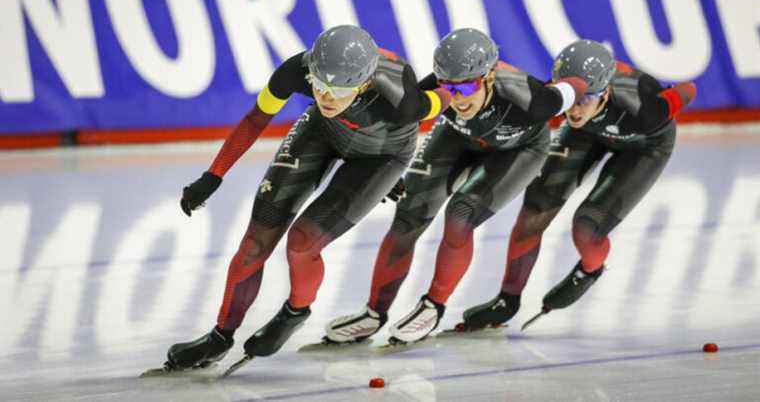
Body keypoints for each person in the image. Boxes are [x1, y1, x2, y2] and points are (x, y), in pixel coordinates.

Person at [153, 25, 453, 373]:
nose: (325, 97)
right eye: (319, 85)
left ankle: (296, 310)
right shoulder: (297, 70)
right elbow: (256, 119)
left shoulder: (402, 99)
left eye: (337, 91)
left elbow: (448, 91)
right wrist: (213, 174)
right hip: (321, 133)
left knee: (301, 244)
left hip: (382, 157)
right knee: (254, 243)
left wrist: (391, 177)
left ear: (364, 84)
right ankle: (220, 336)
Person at [321, 28, 589, 346]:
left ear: (489, 76)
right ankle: (374, 313)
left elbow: (576, 86)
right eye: (449, 87)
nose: (458, 97)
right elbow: (397, 122)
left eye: (468, 86)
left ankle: (433, 306)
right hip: (456, 138)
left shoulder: (530, 98)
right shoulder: (435, 89)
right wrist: (385, 169)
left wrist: (589, 82)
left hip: (519, 150)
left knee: (461, 215)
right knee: (409, 212)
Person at [462, 39, 697, 331]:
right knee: (535, 209)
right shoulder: (559, 98)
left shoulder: (646, 109)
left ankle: (589, 270)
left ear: (606, 91)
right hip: (585, 134)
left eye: (584, 99)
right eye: (571, 98)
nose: (573, 109)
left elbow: (689, 88)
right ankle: (507, 300)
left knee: (587, 227)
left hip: (644, 145)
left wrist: (669, 99)